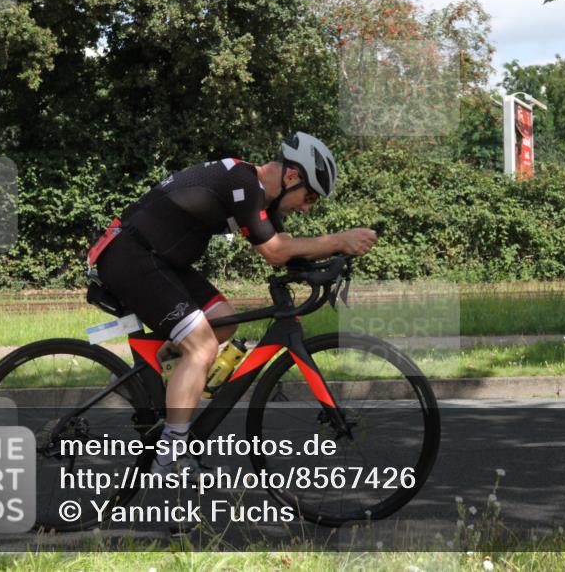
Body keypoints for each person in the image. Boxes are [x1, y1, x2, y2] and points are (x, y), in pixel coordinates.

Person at [88, 133, 376, 475]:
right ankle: (169, 457)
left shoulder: (261, 200)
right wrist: (339, 240)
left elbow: (284, 250)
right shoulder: (243, 183)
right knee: (202, 346)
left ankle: (154, 381)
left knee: (224, 321)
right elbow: (275, 250)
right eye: (310, 196)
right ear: (291, 176)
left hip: (162, 261)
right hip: (132, 256)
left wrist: (327, 262)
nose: (307, 207)